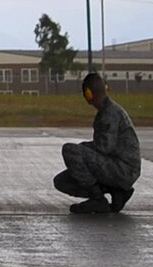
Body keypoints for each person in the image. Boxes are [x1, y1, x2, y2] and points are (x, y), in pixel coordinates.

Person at [54, 72, 141, 214]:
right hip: (120, 168)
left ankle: (98, 200)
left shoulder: (110, 113)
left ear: (88, 94)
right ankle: (117, 191)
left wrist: (81, 148)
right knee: (62, 181)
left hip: (123, 170)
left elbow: (104, 147)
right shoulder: (106, 110)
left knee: (70, 151)